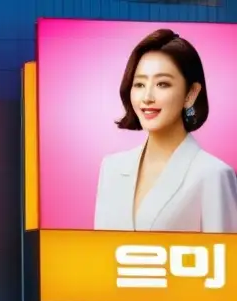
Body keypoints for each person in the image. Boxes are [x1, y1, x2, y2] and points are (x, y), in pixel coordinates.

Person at [93, 29, 237, 233]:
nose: (147, 97)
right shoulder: (112, 168)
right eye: (140, 84)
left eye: (162, 84)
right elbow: (97, 252)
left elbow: (226, 259)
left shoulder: (213, 174)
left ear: (191, 93)